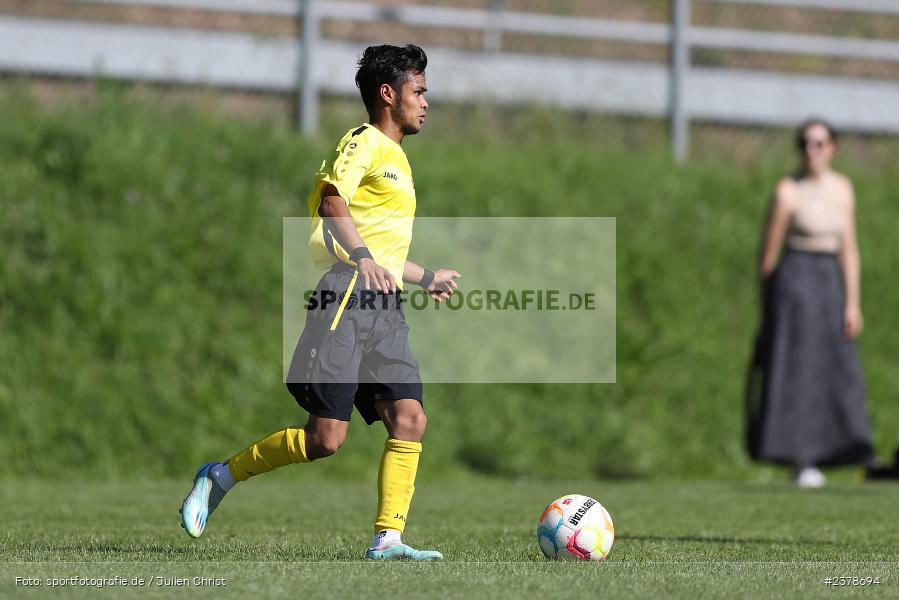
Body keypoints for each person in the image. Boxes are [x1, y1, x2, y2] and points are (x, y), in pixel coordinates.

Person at [180, 44, 460, 559]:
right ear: (387, 93)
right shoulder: (362, 141)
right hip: (346, 298)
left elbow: (382, 249)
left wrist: (424, 277)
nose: (426, 102)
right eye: (418, 91)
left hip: (385, 307)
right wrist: (360, 256)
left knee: (410, 417)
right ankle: (221, 476)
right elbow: (333, 199)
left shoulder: (397, 158)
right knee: (325, 440)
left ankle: (387, 539)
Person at [745, 118, 875, 488]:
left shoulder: (843, 189)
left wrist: (853, 303)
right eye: (805, 143)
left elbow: (849, 249)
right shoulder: (788, 191)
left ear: (832, 148)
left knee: (836, 368)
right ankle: (800, 457)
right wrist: (768, 303)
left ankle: (839, 448)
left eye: (819, 143)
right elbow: (768, 256)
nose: (811, 150)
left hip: (830, 281)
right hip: (796, 282)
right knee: (797, 368)